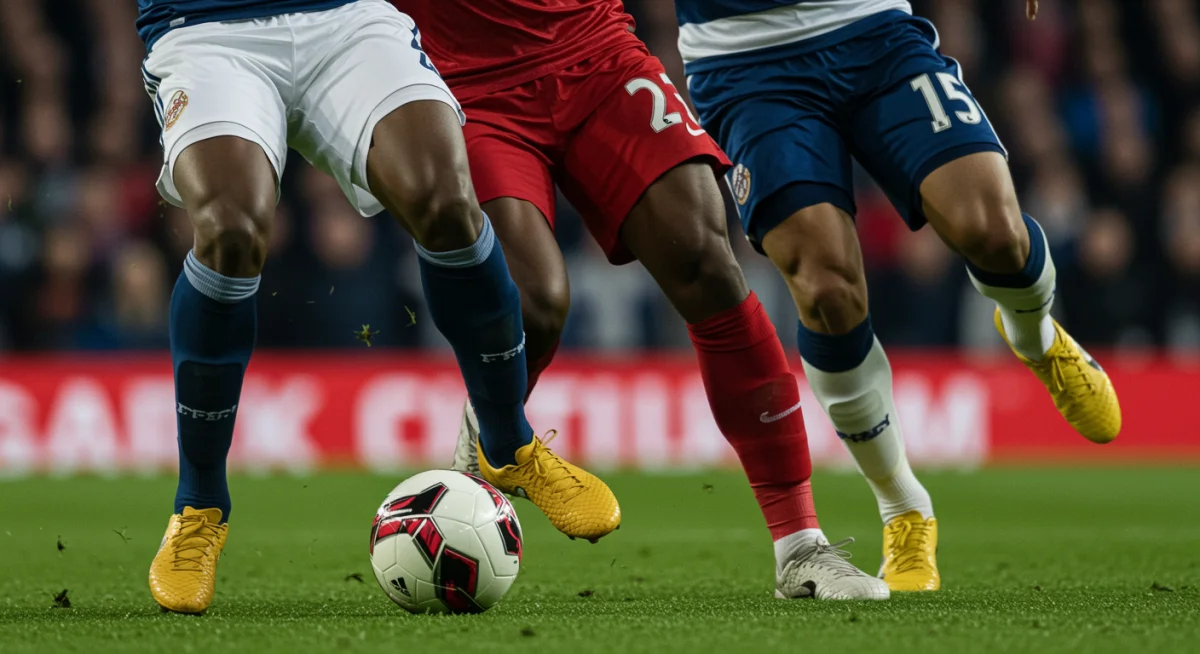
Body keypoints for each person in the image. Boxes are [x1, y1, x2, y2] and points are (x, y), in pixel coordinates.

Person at [136, 0, 619, 614]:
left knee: (445, 199)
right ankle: (199, 505)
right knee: (232, 230)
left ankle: (508, 445)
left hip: (346, 18)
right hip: (206, 28)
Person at [397, 0, 888, 601]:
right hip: (466, 81)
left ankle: (801, 545)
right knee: (532, 304)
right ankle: (493, 427)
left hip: (597, 51)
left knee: (706, 262)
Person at [676, 0, 1122, 592]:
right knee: (825, 287)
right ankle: (903, 507)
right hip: (746, 56)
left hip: (872, 29)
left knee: (994, 230)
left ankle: (1035, 334)